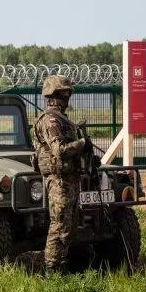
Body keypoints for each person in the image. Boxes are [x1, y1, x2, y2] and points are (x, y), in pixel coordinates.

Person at [33, 74, 98, 274]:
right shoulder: (50, 120)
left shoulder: (63, 120)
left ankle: (62, 264)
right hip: (59, 180)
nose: (67, 96)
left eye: (68, 93)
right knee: (59, 225)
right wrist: (82, 143)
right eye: (64, 93)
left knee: (69, 226)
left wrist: (87, 154)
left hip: (70, 178)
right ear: (54, 95)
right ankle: (52, 269)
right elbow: (59, 150)